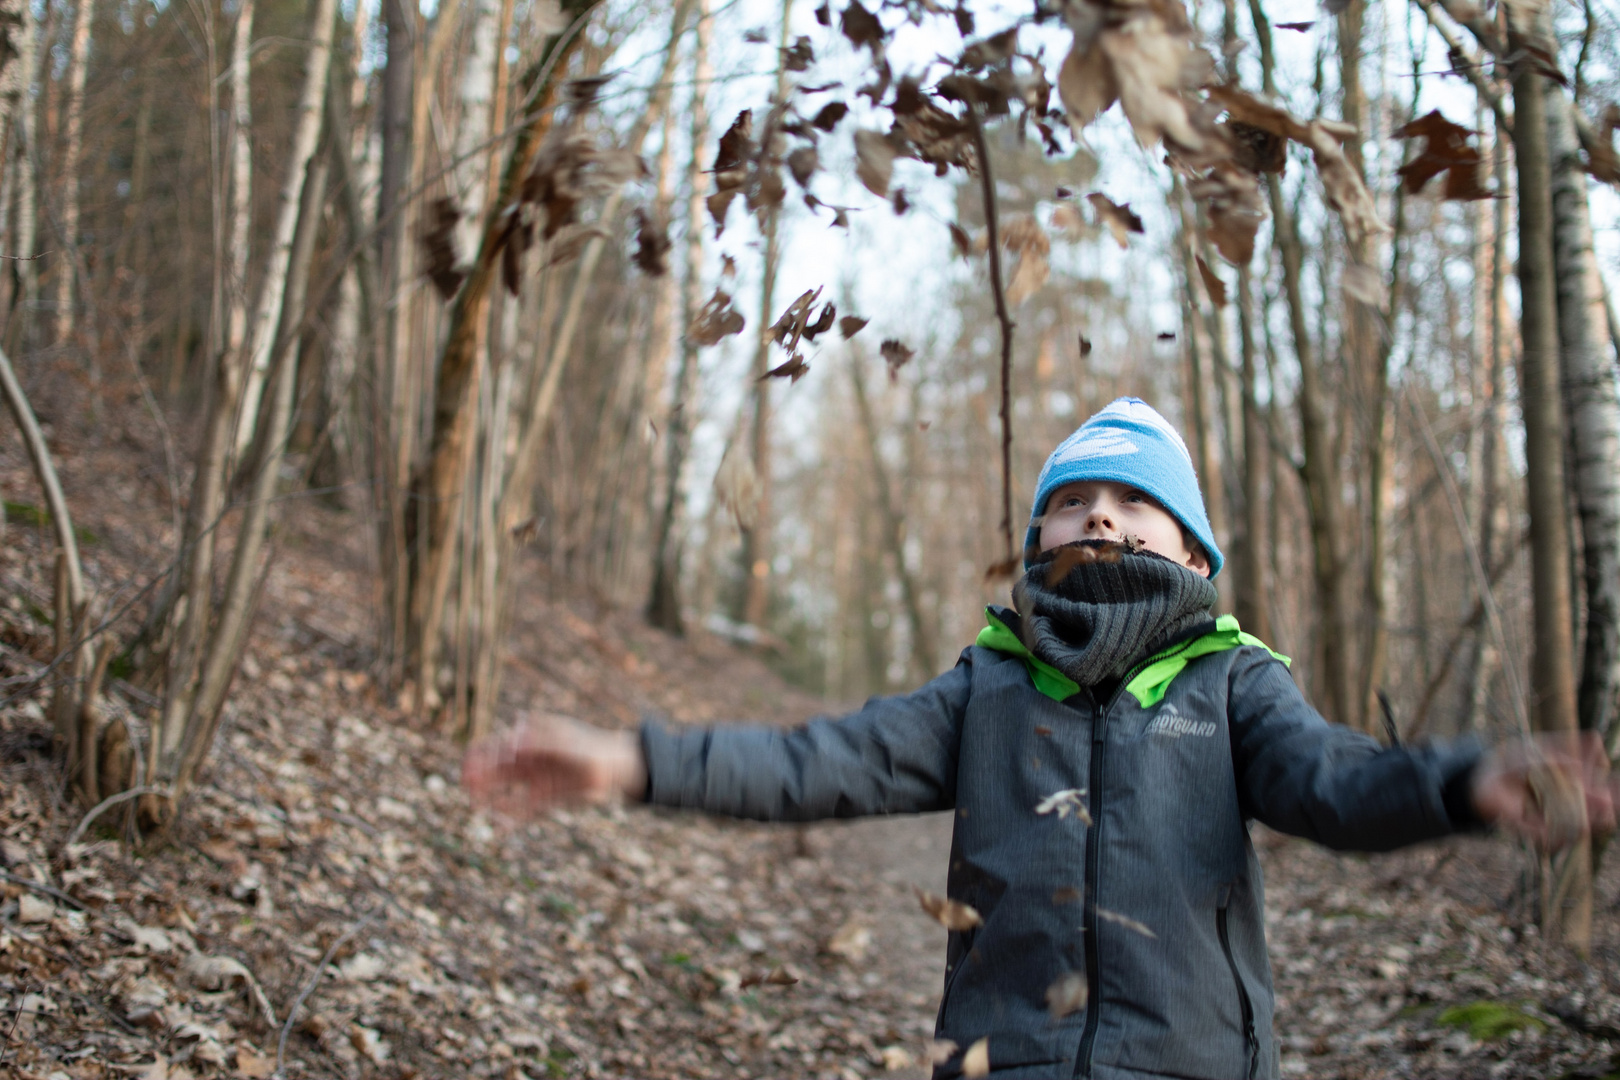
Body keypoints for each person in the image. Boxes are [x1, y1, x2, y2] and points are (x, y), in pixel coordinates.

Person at [463, 397, 1616, 1080]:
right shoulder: (989, 686)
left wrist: (1465, 781)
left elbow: (1334, 784)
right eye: (1072, 501)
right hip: (1004, 1061)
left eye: (1133, 501)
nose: (1099, 516)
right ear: (1037, 539)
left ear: (1195, 558)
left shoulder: (1233, 684)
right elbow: (826, 762)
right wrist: (631, 761)